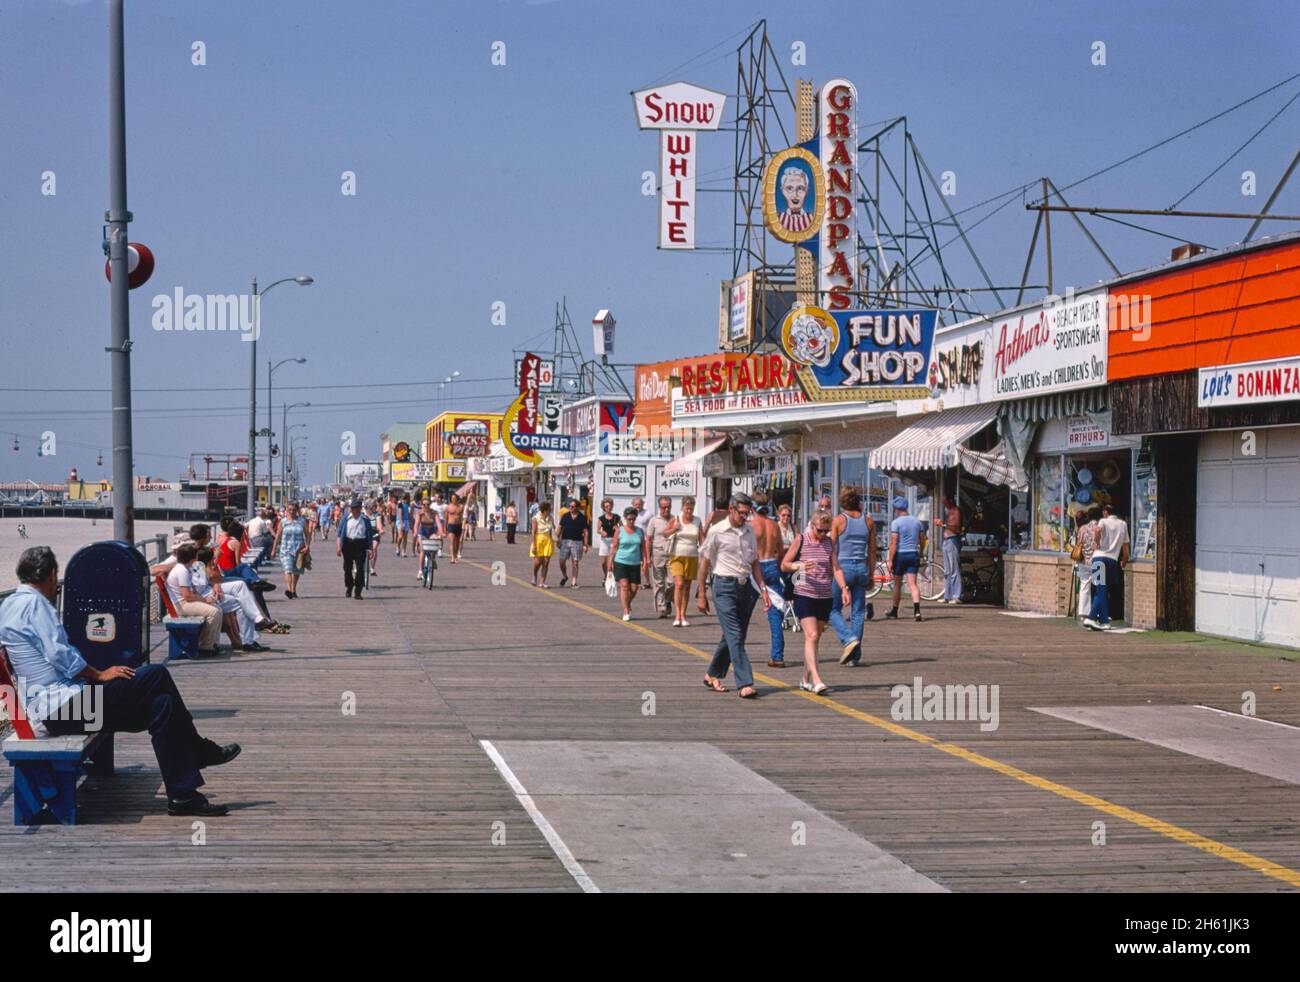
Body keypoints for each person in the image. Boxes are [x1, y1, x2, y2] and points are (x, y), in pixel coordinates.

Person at [0, 546, 241, 816]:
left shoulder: (9, 604)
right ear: (52, 575)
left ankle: (183, 795)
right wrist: (99, 674)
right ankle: (197, 751)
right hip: (60, 709)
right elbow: (60, 654)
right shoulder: (36, 604)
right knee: (156, 675)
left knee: (161, 705)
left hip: (56, 709)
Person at [698, 494, 770, 699]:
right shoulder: (716, 531)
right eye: (742, 513)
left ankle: (712, 673)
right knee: (735, 635)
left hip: (745, 587)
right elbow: (704, 562)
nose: (745, 518)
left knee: (734, 635)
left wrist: (764, 590)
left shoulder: (749, 532)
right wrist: (701, 593)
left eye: (748, 514)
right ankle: (745, 682)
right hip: (723, 586)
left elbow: (755, 562)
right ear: (731, 509)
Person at [782, 509, 837, 694]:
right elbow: (785, 564)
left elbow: (835, 568)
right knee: (812, 636)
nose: (822, 534)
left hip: (824, 594)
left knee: (814, 639)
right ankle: (817, 680)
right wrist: (801, 566)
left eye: (826, 531)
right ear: (812, 525)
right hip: (804, 592)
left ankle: (805, 679)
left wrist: (844, 588)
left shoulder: (829, 543)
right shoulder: (801, 539)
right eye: (819, 530)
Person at [829, 486, 876, 665]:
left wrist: (828, 570)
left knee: (832, 609)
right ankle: (854, 657)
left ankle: (848, 639)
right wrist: (871, 573)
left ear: (842, 502)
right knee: (858, 613)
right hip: (861, 569)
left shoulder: (838, 521)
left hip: (843, 568)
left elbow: (831, 549)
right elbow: (872, 551)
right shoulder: (869, 521)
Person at [195, 546, 268, 653]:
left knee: (241, 586)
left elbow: (211, 579)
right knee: (242, 598)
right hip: (204, 596)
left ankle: (255, 624)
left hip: (209, 589)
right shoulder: (192, 565)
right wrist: (215, 560)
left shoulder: (197, 564)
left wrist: (215, 584)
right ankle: (249, 639)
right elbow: (213, 577)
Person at [164, 543, 224, 656]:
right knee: (214, 612)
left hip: (184, 603)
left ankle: (213, 644)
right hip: (181, 605)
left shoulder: (185, 568)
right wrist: (205, 600)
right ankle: (205, 646)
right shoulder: (182, 571)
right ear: (193, 558)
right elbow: (187, 595)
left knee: (217, 608)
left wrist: (206, 599)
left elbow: (192, 591)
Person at [750, 491, 788, 668]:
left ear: (752, 507)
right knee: (775, 614)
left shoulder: (751, 525)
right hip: (772, 565)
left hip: (754, 568)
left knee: (743, 610)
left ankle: (734, 652)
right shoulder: (774, 526)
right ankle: (777, 655)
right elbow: (780, 552)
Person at [1085, 505, 1129, 631]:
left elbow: (1098, 531)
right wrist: (1124, 561)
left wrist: (1097, 542)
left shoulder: (1103, 521)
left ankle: (1091, 617)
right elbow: (1126, 547)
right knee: (1104, 590)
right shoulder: (1123, 524)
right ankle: (1104, 621)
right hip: (1113, 560)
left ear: (1105, 512)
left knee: (1100, 589)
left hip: (1099, 558)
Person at [664, 496, 703, 626]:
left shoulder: (697, 521)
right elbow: (665, 533)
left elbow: (702, 540)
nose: (689, 511)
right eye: (687, 508)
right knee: (679, 584)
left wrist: (706, 554)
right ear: (682, 507)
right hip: (676, 555)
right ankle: (677, 616)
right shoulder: (677, 518)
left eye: (691, 508)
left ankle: (683, 615)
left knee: (687, 587)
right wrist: (675, 528)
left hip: (692, 556)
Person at [887, 497, 926, 621]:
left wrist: (890, 560)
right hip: (913, 554)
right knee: (913, 584)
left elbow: (894, 543)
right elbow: (922, 539)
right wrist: (920, 553)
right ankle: (917, 611)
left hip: (900, 555)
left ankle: (894, 611)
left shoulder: (896, 523)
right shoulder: (917, 522)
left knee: (897, 584)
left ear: (897, 509)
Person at [611, 506, 650, 620]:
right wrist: (610, 562)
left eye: (633, 519)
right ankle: (626, 611)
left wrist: (645, 561)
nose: (631, 521)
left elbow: (643, 547)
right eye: (629, 519)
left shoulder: (639, 531)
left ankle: (627, 603)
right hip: (621, 561)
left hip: (634, 562)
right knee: (624, 586)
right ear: (625, 518)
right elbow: (614, 547)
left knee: (634, 588)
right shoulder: (619, 531)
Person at [337, 497, 373, 599]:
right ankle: (349, 586)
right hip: (348, 544)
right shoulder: (346, 518)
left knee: (360, 568)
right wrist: (338, 547)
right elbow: (340, 534)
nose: (353, 510)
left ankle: (358, 591)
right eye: (352, 508)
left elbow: (369, 534)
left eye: (355, 508)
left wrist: (370, 549)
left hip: (360, 544)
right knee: (347, 568)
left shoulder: (365, 520)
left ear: (359, 508)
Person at [272, 501, 309, 599]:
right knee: (288, 569)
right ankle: (289, 590)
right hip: (285, 549)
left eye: (294, 510)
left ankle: (293, 589)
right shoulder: (283, 522)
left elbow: (307, 535)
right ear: (287, 510)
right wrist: (273, 549)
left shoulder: (302, 521)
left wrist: (307, 546)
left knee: (296, 571)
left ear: (297, 510)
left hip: (299, 550)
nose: (292, 512)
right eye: (290, 510)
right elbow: (277, 536)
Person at [645, 497, 675, 618]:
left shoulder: (675, 519)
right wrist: (648, 557)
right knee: (658, 582)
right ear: (659, 507)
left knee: (671, 582)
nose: (666, 509)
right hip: (657, 553)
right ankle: (662, 607)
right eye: (664, 507)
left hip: (672, 554)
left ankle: (667, 600)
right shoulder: (654, 521)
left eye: (668, 506)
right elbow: (649, 540)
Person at [1073, 507, 1102, 621]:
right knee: (1098, 586)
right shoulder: (1099, 528)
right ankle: (1097, 612)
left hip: (1083, 560)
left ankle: (1083, 612)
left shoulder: (1082, 528)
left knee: (1084, 585)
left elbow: (1078, 543)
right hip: (1097, 559)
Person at [936, 492, 963, 604]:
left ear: (950, 500)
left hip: (953, 540)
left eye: (945, 501)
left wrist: (943, 525)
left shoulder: (956, 511)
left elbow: (957, 529)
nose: (944, 503)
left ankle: (957, 596)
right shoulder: (948, 512)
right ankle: (948, 595)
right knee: (947, 571)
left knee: (954, 569)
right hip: (946, 541)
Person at [557, 499, 590, 588]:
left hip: (577, 542)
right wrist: (558, 539)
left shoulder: (582, 517)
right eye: (570, 506)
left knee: (575, 562)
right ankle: (565, 576)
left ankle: (574, 582)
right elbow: (560, 528)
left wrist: (585, 545)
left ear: (577, 507)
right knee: (561, 561)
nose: (570, 508)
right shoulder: (565, 516)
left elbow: (586, 532)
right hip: (565, 541)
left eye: (572, 506)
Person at [414, 496, 444, 582]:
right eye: (424, 504)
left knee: (435, 542)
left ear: (430, 504)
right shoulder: (420, 513)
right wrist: (415, 532)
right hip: (422, 533)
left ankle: (433, 558)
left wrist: (441, 533)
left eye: (427, 504)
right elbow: (416, 524)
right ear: (422, 504)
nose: (426, 506)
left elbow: (438, 524)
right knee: (423, 549)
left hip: (431, 532)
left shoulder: (434, 513)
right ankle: (420, 571)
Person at [530, 501, 556, 587]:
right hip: (538, 540)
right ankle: (534, 574)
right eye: (549, 510)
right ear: (544, 510)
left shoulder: (550, 518)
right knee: (538, 561)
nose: (550, 511)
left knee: (546, 561)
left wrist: (556, 540)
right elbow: (533, 532)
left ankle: (542, 582)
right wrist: (533, 545)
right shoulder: (536, 518)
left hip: (548, 540)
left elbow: (553, 529)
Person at [594, 498, 619, 578]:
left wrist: (617, 528)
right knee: (603, 562)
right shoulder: (601, 518)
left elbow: (623, 528)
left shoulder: (616, 517)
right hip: (604, 541)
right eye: (606, 506)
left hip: (613, 540)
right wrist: (601, 532)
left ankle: (612, 577)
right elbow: (597, 530)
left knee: (613, 561)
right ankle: (606, 575)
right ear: (604, 508)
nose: (608, 507)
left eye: (610, 506)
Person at [445, 492, 466, 563]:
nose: (453, 500)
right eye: (452, 498)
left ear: (457, 499)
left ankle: (456, 556)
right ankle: (452, 557)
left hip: (458, 525)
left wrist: (463, 527)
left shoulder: (461, 507)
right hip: (451, 525)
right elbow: (446, 518)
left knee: (457, 543)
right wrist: (445, 528)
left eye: (454, 498)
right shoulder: (448, 507)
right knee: (452, 542)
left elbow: (464, 517)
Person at [395, 493, 412, 558]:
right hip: (400, 521)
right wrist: (402, 523)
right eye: (403, 498)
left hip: (406, 520)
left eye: (405, 498)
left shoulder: (408, 505)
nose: (404, 500)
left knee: (405, 538)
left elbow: (409, 514)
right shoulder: (400, 504)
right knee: (400, 536)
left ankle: (403, 551)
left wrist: (411, 522)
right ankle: (398, 546)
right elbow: (400, 514)